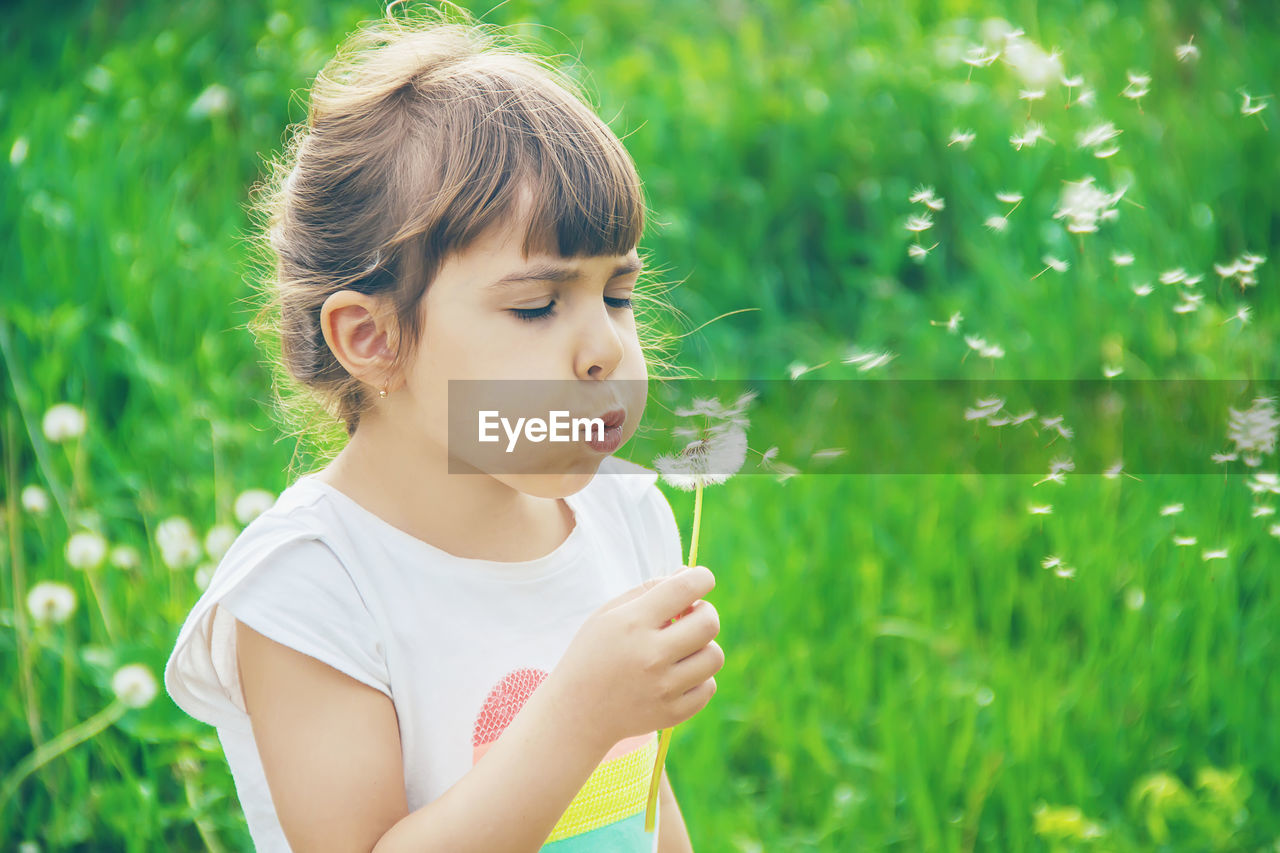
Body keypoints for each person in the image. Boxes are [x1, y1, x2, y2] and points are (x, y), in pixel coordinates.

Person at [163, 6, 724, 852]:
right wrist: (578, 712)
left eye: (618, 295)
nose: (606, 347)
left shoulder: (625, 515)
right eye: (537, 305)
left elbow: (646, 806)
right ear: (373, 340)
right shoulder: (314, 589)